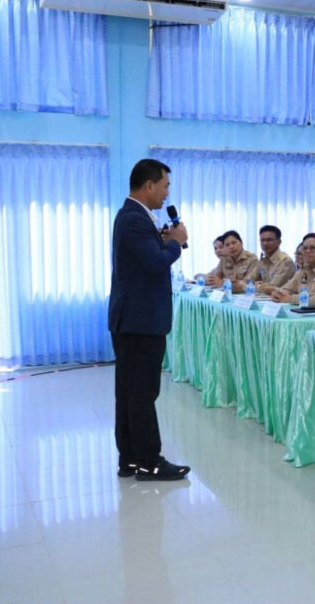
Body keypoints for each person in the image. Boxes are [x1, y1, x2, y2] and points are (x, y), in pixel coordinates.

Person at [109, 158, 190, 481]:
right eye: (165, 186)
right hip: (140, 321)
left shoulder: (135, 216)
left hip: (134, 319)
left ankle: (130, 459)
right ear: (149, 185)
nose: (167, 193)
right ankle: (149, 461)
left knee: (131, 393)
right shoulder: (134, 218)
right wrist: (175, 244)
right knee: (142, 393)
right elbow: (155, 263)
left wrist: (164, 241)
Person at [255, 225, 295, 290]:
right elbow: (251, 280)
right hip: (263, 295)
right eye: (262, 240)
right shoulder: (263, 260)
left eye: (269, 240)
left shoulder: (285, 262)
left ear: (279, 242)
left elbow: (271, 287)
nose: (265, 243)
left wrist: (255, 286)